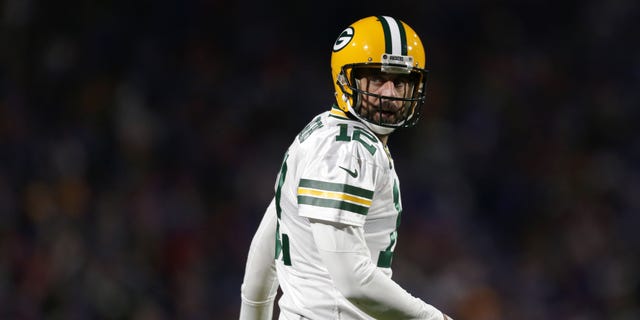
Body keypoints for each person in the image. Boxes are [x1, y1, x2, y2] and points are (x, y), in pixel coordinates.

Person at [239, 15, 453, 320]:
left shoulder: (321, 132)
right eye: (377, 79)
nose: (390, 94)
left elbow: (265, 247)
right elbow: (354, 281)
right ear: (345, 79)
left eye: (401, 81)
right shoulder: (349, 150)